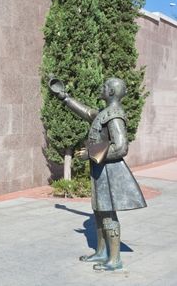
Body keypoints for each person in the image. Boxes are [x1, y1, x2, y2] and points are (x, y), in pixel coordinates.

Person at [49, 77, 147, 271]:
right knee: (99, 212)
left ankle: (114, 259)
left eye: (104, 86)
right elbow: (86, 112)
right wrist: (64, 97)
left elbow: (121, 148)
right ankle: (102, 252)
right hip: (101, 170)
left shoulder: (115, 116)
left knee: (108, 214)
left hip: (110, 172)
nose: (101, 87)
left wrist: (90, 154)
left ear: (111, 92)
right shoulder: (105, 113)